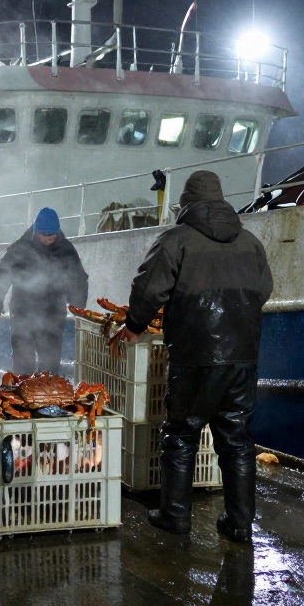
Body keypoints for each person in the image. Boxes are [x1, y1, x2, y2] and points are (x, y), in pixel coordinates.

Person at [116, 171, 273, 542]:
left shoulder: (176, 240)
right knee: (236, 439)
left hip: (195, 354)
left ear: (186, 204)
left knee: (182, 434)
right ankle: (239, 523)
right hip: (243, 356)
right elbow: (263, 290)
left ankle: (175, 516)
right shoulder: (251, 243)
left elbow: (148, 286)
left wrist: (135, 324)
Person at [0, 207, 88, 374]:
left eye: (52, 235)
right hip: (23, 313)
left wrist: (78, 302)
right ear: (36, 231)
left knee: (50, 367)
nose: (49, 239)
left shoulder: (66, 250)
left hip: (53, 316)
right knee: (23, 365)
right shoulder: (20, 248)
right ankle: (22, 395)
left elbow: (78, 278)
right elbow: (2, 274)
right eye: (45, 235)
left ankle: (47, 398)